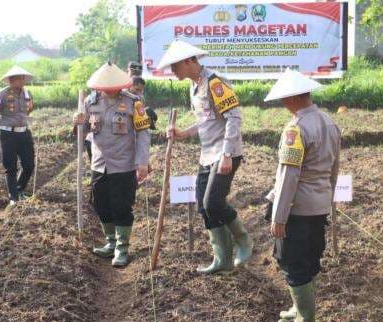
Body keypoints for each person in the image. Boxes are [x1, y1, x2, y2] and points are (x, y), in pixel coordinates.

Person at [159, 40, 252, 274]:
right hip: (207, 154)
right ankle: (222, 260)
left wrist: (228, 154)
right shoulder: (194, 86)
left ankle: (243, 240)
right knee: (203, 205)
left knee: (213, 202)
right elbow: (205, 122)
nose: (173, 71)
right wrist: (183, 133)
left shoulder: (214, 83)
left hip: (225, 153)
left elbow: (234, 118)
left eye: (176, 65)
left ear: (190, 61)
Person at [264, 69, 340, 322]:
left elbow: (289, 176)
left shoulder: (295, 129)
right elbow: (334, 169)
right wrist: (326, 199)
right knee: (308, 259)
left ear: (295, 97)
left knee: (293, 262)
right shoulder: (330, 122)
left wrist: (278, 216)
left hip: (297, 209)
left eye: (285, 99)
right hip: (319, 205)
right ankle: (300, 309)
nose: (284, 104)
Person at [73, 62, 151, 268]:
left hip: (123, 164)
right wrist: (77, 122)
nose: (109, 90)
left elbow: (143, 134)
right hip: (99, 163)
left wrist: (142, 162)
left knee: (121, 206)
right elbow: (81, 131)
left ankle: (122, 248)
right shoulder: (90, 102)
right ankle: (111, 242)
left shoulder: (134, 103)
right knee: (100, 203)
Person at [0, 66, 36, 205]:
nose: (22, 81)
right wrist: (3, 126)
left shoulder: (27, 94)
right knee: (11, 167)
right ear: (11, 80)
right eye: (18, 78)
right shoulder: (1, 94)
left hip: (24, 133)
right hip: (7, 134)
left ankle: (19, 188)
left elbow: (29, 109)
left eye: (22, 78)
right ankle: (13, 197)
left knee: (29, 165)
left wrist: (22, 121)